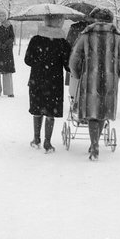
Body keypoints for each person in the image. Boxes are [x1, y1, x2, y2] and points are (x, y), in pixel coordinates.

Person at [69, 8, 120, 161]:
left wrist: (77, 74)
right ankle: (95, 144)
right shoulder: (116, 36)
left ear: (94, 20)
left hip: (90, 79)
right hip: (109, 80)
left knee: (92, 114)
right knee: (103, 112)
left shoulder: (86, 34)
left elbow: (74, 58)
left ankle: (94, 145)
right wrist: (118, 73)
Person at [24, 13, 71, 153]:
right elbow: (68, 66)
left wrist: (39, 63)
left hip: (37, 79)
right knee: (51, 111)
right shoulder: (63, 42)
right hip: (54, 81)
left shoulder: (36, 39)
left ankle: (36, 138)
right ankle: (47, 142)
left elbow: (28, 60)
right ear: (59, 22)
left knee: (37, 109)